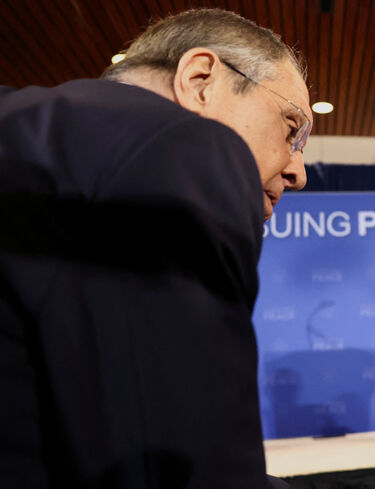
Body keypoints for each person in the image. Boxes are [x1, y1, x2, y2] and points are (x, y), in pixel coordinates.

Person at [0, 8, 310, 488]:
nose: (299, 171)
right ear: (201, 80)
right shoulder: (181, 148)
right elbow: (173, 467)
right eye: (293, 129)